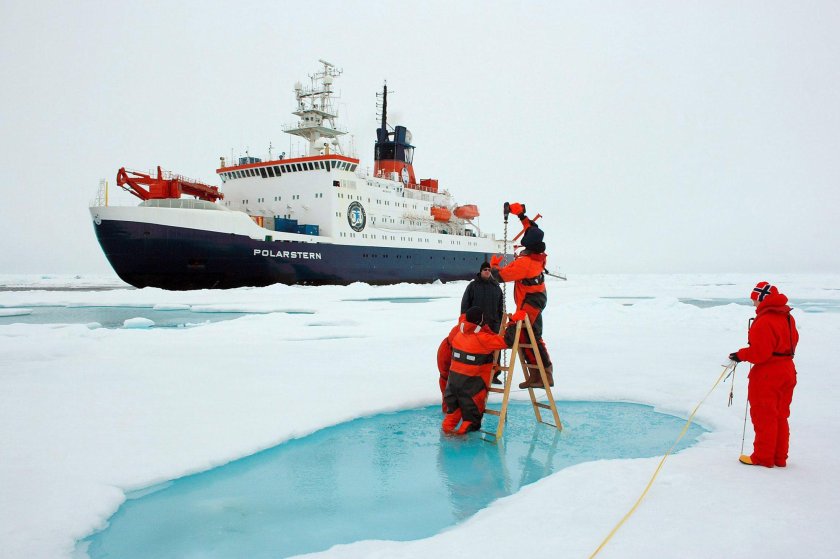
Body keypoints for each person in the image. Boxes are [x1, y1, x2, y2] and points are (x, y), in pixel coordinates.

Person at [728, 281, 798, 468]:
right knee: (780, 416)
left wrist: (740, 355)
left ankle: (763, 457)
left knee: (764, 416)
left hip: (768, 375)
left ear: (761, 299)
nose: (753, 304)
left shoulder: (765, 320)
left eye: (754, 300)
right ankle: (779, 458)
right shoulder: (787, 317)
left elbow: (760, 354)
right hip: (787, 371)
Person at [489, 202, 553, 389]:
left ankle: (544, 375)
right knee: (528, 336)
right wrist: (521, 215)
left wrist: (493, 266)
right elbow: (533, 228)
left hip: (530, 302)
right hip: (535, 298)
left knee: (521, 334)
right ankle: (537, 375)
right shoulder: (538, 254)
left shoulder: (525, 263)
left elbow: (499, 276)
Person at [442, 307, 516, 434]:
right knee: (471, 422)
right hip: (472, 388)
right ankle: (464, 447)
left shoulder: (458, 335)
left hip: (452, 386)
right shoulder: (483, 339)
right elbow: (508, 341)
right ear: (480, 321)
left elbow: (464, 327)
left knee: (451, 416)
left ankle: (448, 439)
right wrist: (513, 323)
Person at [461, 261, 504, 334]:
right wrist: (464, 322)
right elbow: (465, 306)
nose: (487, 271)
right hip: (476, 326)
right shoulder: (473, 286)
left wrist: (500, 324)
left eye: (489, 270)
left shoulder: (496, 288)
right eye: (485, 269)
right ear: (481, 271)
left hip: (493, 326)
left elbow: (500, 308)